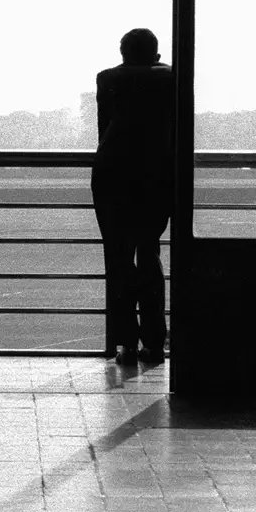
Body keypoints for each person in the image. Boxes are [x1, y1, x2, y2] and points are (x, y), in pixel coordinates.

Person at [92, 28, 174, 364]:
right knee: (149, 252)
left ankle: (124, 340)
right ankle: (155, 339)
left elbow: (103, 129)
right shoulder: (171, 78)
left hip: (113, 174)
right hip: (156, 176)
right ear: (155, 54)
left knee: (119, 258)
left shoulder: (108, 78)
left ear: (123, 53)